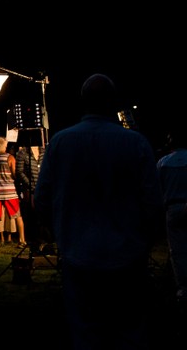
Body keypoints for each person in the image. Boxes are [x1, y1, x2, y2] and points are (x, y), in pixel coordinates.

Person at [34, 74, 164, 349]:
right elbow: (152, 202)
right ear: (113, 103)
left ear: (83, 102)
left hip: (78, 254)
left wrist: (61, 235)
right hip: (128, 255)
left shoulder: (60, 142)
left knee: (86, 333)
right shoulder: (136, 143)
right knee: (128, 332)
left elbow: (42, 199)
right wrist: (144, 241)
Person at [157, 132, 187, 310]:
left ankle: (183, 289)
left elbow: (157, 188)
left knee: (178, 251)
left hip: (173, 208)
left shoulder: (163, 162)